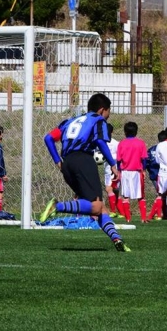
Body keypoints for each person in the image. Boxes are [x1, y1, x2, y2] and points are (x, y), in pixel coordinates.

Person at [41, 93, 131, 252]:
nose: (108, 116)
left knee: (99, 206)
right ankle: (57, 206)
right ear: (102, 110)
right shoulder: (98, 120)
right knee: (95, 207)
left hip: (67, 164)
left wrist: (58, 162)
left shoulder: (69, 121)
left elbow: (48, 138)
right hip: (83, 160)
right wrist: (113, 164)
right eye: (108, 111)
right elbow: (100, 141)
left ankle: (116, 238)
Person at [116, 121, 149, 223]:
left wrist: (119, 171)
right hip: (137, 173)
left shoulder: (122, 143)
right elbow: (144, 159)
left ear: (125, 132)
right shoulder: (141, 143)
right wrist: (144, 170)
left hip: (125, 172)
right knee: (141, 196)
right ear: (136, 131)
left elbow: (118, 160)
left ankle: (128, 219)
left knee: (126, 197)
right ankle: (143, 218)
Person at [103, 124, 124, 218]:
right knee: (116, 191)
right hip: (118, 168)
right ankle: (122, 213)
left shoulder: (103, 143)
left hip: (110, 168)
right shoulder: (117, 143)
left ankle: (113, 211)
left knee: (108, 189)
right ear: (112, 132)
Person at [145, 130, 166, 221]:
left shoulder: (151, 149)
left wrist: (149, 171)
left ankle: (162, 214)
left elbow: (146, 161)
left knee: (161, 194)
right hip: (163, 174)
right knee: (161, 194)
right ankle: (157, 214)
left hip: (153, 175)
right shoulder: (166, 149)